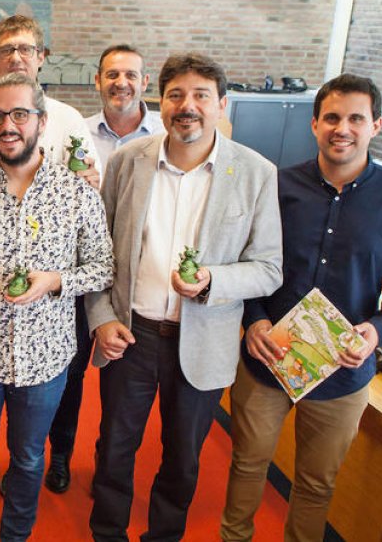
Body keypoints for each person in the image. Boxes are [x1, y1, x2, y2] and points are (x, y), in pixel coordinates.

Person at [220, 74, 382, 542]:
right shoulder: (276, 186)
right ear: (314, 124)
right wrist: (253, 320)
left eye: (356, 118)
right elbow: (245, 260)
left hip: (342, 370)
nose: (343, 128)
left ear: (376, 125)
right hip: (267, 361)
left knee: (317, 485)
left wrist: (379, 329)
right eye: (332, 118)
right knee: (247, 466)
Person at [87, 53, 283, 542]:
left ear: (221, 104)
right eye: (176, 95)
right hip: (130, 336)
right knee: (113, 449)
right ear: (161, 100)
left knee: (182, 458)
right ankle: (106, 532)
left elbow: (269, 268)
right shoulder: (128, 162)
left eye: (200, 96)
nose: (187, 106)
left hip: (203, 342)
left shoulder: (256, 173)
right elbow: (96, 253)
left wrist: (213, 279)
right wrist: (101, 317)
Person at [0, 73, 113, 541]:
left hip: (47, 358)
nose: (7, 125)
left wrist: (56, 281)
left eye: (19, 114)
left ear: (41, 121)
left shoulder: (76, 194)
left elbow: (103, 268)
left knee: (29, 458)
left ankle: (16, 536)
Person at [41, 45, 164, 495]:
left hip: (136, 280)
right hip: (79, 272)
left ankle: (110, 468)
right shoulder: (76, 130)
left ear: (144, 82)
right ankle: (60, 455)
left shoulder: (165, 138)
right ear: (98, 81)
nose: (121, 83)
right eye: (111, 74)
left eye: (130, 74)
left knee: (120, 387)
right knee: (70, 373)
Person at [0, 15, 100, 187]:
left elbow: (91, 180)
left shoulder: (69, 118)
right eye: (6, 50)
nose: (16, 58)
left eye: (25, 49)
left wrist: (90, 181)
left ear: (41, 57)